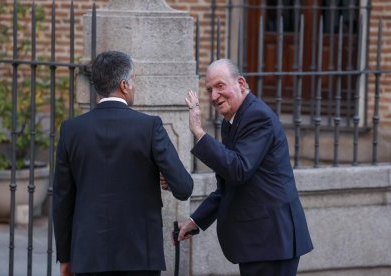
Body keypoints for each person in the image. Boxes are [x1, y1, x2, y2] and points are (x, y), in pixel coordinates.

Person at [53, 51, 193, 276]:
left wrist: (65, 256)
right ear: (124, 85)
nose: (135, 86)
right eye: (134, 80)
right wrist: (168, 180)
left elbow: (62, 201)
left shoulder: (71, 131)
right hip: (140, 255)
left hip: (89, 256)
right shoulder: (149, 127)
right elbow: (184, 187)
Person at [178, 59, 313, 275]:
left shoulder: (257, 116)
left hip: (273, 241)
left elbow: (238, 170)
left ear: (240, 83)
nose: (214, 96)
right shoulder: (232, 120)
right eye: (210, 89)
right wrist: (197, 220)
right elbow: (227, 184)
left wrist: (199, 133)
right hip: (260, 242)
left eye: (220, 86)